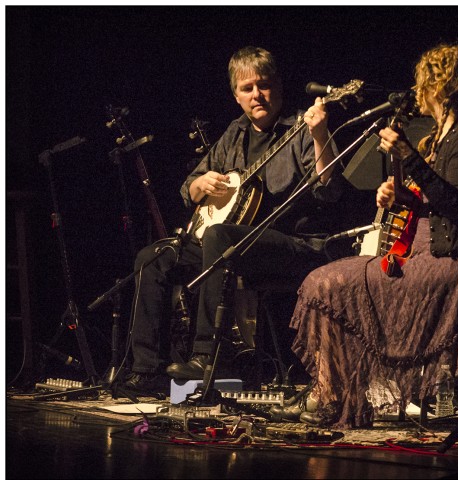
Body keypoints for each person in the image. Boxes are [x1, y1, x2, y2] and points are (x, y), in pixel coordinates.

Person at [280, 44, 458, 428]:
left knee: (330, 284)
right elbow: (432, 199)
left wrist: (409, 159)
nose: (418, 89)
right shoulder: (439, 135)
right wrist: (399, 195)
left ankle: (331, 394)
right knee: (325, 282)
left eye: (425, 81)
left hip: (450, 265)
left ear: (441, 86)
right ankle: (333, 392)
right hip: (421, 255)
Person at [121, 46, 345, 395]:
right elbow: (189, 189)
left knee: (220, 237)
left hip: (293, 243)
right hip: (234, 244)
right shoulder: (235, 133)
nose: (257, 94)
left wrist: (319, 135)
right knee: (153, 257)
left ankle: (209, 356)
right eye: (247, 88)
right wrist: (200, 184)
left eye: (265, 84)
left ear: (279, 86)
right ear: (236, 96)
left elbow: (330, 191)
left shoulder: (301, 127)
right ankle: (146, 370)